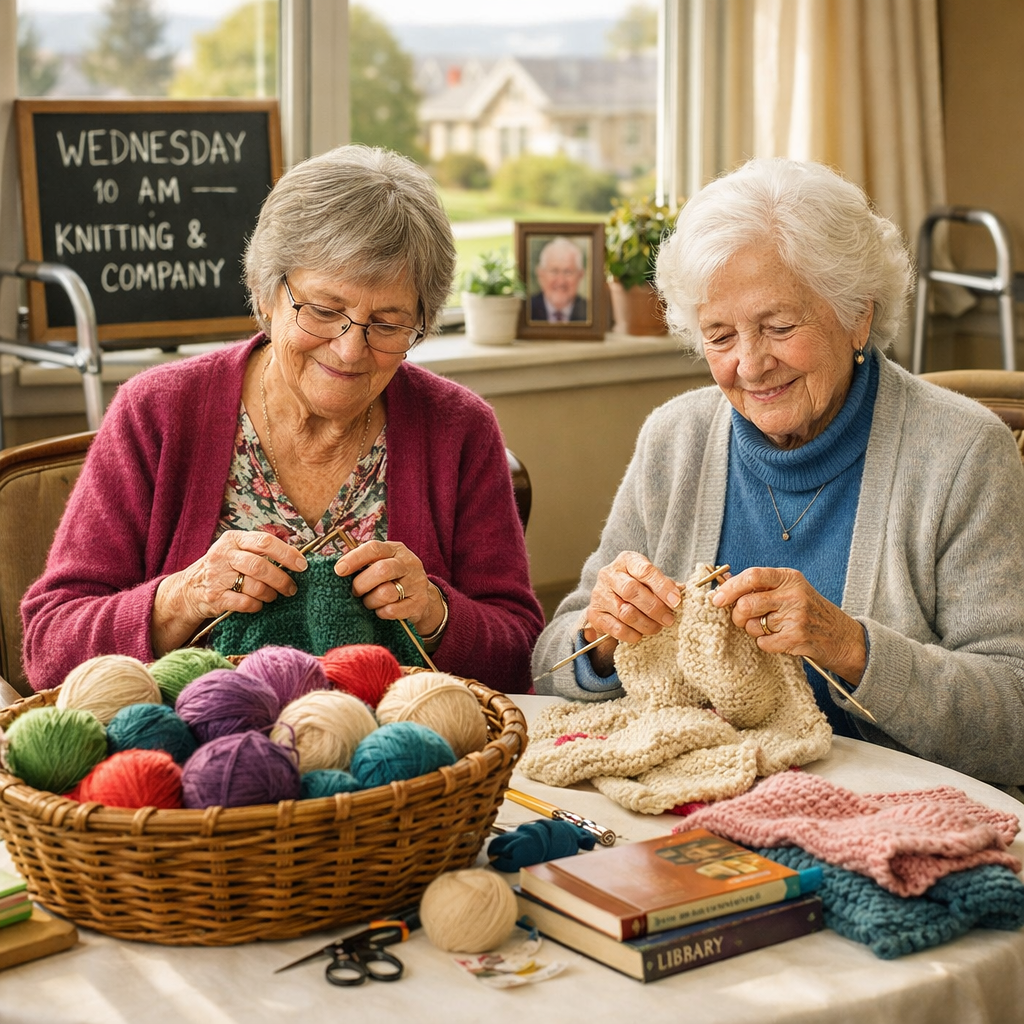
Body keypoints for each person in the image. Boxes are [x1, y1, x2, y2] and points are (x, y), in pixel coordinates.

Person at [532, 157, 1024, 786]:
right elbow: (551, 656)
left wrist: (851, 647)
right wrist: (603, 638)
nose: (750, 364)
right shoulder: (674, 440)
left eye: (779, 326)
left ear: (859, 314)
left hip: (887, 814)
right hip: (696, 793)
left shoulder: (962, 454)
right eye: (719, 335)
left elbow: (1012, 715)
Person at [22, 145, 544, 693]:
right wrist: (184, 596)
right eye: (322, 311)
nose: (349, 350)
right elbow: (49, 646)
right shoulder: (157, 412)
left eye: (388, 323)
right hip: (197, 759)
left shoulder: (459, 429)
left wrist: (438, 616)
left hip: (403, 769)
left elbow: (518, 654)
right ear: (268, 294)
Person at [529, 237, 588, 322]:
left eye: (568, 272)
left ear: (580, 275)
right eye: (554, 271)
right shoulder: (526, 310)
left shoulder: (591, 313)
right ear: (540, 274)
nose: (561, 281)